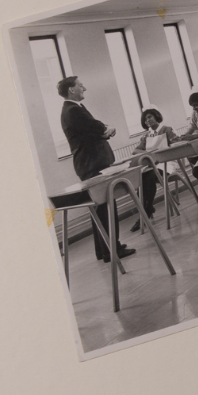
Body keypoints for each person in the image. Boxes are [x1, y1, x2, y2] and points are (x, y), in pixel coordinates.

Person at [57, 76, 135, 263]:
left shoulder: (72, 109)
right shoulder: (73, 110)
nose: (84, 87)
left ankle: (104, 250)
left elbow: (91, 131)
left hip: (89, 163)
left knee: (100, 207)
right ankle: (111, 250)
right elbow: (95, 127)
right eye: (80, 85)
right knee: (105, 206)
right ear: (71, 90)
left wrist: (103, 129)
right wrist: (108, 128)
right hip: (93, 163)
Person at [129, 105, 178, 232]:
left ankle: (146, 212)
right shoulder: (147, 136)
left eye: (149, 117)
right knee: (141, 178)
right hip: (153, 165)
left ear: (156, 116)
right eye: (145, 120)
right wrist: (149, 154)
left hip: (167, 163)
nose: (148, 121)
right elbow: (135, 150)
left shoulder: (167, 129)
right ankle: (147, 209)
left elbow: (176, 144)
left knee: (149, 177)